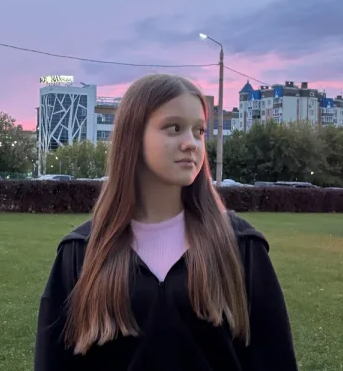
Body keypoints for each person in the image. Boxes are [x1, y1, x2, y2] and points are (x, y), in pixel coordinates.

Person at [34, 74, 297, 371]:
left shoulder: (241, 246)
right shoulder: (80, 253)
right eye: (174, 128)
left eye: (199, 131)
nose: (191, 144)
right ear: (133, 136)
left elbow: (274, 359)